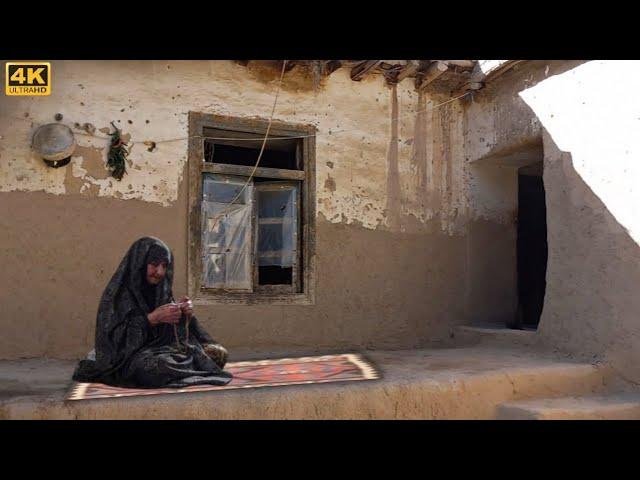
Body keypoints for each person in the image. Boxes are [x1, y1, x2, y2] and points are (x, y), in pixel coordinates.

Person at [72, 236, 232, 388]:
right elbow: (112, 340)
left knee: (218, 354)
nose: (160, 272)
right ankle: (184, 366)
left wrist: (185, 314)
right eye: (154, 264)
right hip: (127, 358)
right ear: (140, 263)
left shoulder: (160, 289)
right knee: (153, 367)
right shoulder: (118, 295)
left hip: (162, 350)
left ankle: (182, 366)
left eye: (164, 266)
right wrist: (151, 319)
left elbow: (175, 333)